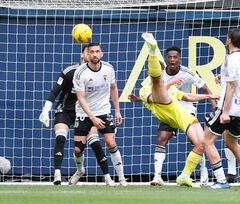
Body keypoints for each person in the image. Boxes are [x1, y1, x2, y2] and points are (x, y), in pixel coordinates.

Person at [139, 33, 219, 188]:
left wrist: (210, 96)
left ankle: (186, 175)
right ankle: (153, 50)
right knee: (162, 137)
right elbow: (157, 96)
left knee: (201, 144)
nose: (172, 60)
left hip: (182, 113)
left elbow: (187, 96)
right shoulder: (145, 89)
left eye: (175, 57)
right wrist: (169, 83)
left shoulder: (182, 79)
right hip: (165, 109)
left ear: (179, 58)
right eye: (169, 57)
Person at [39, 45, 98, 185]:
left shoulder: (98, 73)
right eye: (88, 51)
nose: (91, 54)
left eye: (93, 52)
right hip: (65, 110)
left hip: (84, 113)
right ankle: (57, 174)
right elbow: (55, 91)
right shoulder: (69, 71)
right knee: (60, 137)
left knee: (89, 144)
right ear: (82, 55)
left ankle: (80, 170)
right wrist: (46, 109)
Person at [70, 42, 127, 186]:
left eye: (97, 51)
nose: (95, 54)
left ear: (102, 53)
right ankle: (79, 170)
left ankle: (121, 178)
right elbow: (80, 98)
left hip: (104, 111)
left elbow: (113, 88)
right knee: (78, 149)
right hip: (84, 113)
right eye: (92, 52)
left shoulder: (108, 69)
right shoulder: (80, 72)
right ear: (87, 54)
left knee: (111, 142)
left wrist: (117, 111)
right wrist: (92, 117)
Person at [204, 28, 240, 189]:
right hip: (238, 109)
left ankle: (221, 180)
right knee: (232, 143)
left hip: (229, 109)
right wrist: (223, 79)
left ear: (230, 40)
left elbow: (232, 87)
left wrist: (225, 112)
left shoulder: (231, 59)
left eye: (226, 39)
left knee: (206, 141)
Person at [215, 75, 238, 184]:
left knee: (208, 140)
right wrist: (224, 80)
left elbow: (233, 85)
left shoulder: (234, 61)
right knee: (229, 140)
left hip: (235, 109)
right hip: (234, 108)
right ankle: (232, 173)